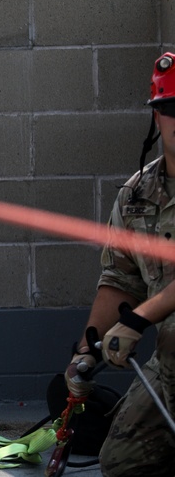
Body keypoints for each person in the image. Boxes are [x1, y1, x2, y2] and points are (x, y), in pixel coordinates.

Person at [65, 51, 175, 476]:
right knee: (123, 461)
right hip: (167, 362)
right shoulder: (137, 193)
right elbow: (120, 280)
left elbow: (137, 313)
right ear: (156, 114)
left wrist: (138, 322)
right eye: (170, 108)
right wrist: (85, 353)